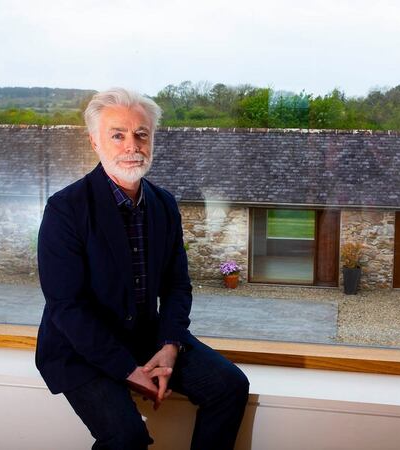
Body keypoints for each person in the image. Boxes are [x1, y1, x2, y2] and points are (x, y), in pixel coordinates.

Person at [35, 87, 250, 449]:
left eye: (141, 134)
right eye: (117, 135)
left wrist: (170, 345)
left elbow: (178, 286)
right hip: (79, 349)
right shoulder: (65, 209)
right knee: (127, 437)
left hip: (146, 337)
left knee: (230, 386)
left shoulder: (164, 204)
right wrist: (127, 370)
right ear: (95, 142)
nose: (131, 145)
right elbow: (67, 308)